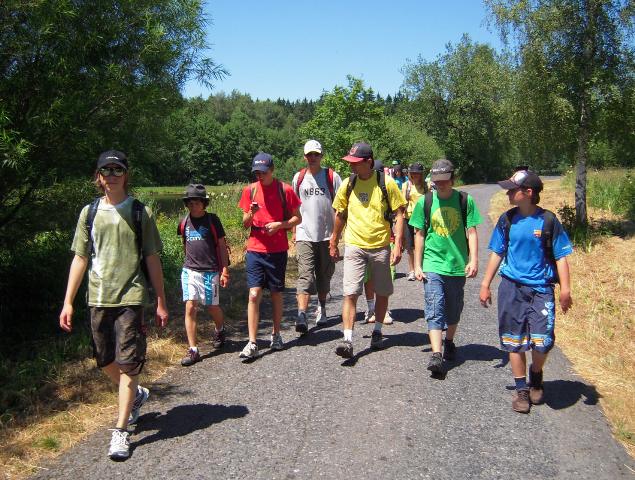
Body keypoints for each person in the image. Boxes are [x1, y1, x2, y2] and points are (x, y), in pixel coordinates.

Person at [59, 150, 169, 460]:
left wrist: (160, 299)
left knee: (129, 362)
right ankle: (136, 395)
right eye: (106, 170)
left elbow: (152, 258)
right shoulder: (89, 212)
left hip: (131, 297)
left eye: (117, 170)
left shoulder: (140, 212)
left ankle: (121, 431)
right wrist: (68, 302)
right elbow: (80, 257)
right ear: (98, 177)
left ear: (126, 175)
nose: (111, 175)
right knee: (104, 358)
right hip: (98, 297)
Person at [479, 169, 573, 413]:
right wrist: (485, 284)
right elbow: (497, 252)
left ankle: (536, 373)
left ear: (528, 192)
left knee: (543, 343)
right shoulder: (507, 220)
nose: (508, 194)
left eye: (512, 190)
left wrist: (565, 289)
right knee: (514, 341)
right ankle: (522, 389)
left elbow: (561, 256)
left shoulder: (549, 221)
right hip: (511, 288)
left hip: (541, 290)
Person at [330, 142, 406, 358]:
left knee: (382, 291)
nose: (352, 166)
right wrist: (333, 241)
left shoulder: (386, 183)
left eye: (356, 163)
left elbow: (400, 213)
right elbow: (340, 214)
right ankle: (347, 340)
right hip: (354, 245)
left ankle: (378, 331)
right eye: (350, 162)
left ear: (369, 161)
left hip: (380, 246)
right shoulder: (348, 184)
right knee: (350, 293)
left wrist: (397, 244)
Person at [409, 159, 481, 374]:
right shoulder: (425, 202)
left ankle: (449, 341)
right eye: (437, 181)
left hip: (457, 264)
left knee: (454, 308)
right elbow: (419, 234)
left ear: (453, 179)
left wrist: (474, 259)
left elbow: (472, 232)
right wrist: (418, 265)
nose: (440, 184)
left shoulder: (465, 200)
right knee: (434, 307)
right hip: (433, 263)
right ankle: (436, 354)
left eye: (444, 180)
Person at [237, 152, 301, 359]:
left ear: (272, 170)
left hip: (277, 250)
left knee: (276, 293)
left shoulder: (285, 190)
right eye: (257, 172)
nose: (260, 176)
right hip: (255, 248)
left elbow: (297, 219)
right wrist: (252, 212)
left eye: (263, 172)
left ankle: (276, 334)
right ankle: (252, 342)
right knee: (254, 293)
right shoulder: (250, 190)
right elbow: (245, 223)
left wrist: (279, 225)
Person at [291, 140, 342, 333]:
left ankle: (322, 307)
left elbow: (340, 206)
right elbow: (294, 206)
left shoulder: (332, 176)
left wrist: (336, 236)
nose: (312, 157)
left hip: (327, 235)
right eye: (309, 154)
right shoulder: (299, 178)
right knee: (305, 275)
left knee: (323, 275)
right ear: (304, 157)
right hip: (304, 233)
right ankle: (302, 315)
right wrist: (294, 230)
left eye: (316, 154)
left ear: (321, 156)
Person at [178, 184, 230, 366]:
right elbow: (185, 244)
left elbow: (221, 246)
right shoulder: (184, 222)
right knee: (190, 306)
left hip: (210, 271)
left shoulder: (212, 220)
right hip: (189, 270)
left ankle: (220, 329)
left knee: (211, 307)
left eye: (197, 202)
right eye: (190, 203)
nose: (193, 206)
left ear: (204, 203)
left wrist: (224, 270)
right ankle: (193, 350)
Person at [402, 162, 428, 281]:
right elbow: (403, 202)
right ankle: (412, 270)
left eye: (417, 173)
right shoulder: (406, 185)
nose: (414, 175)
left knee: (424, 243)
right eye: (412, 173)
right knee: (410, 246)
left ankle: (422, 268)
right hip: (409, 217)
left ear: (421, 174)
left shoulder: (426, 186)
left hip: (423, 218)